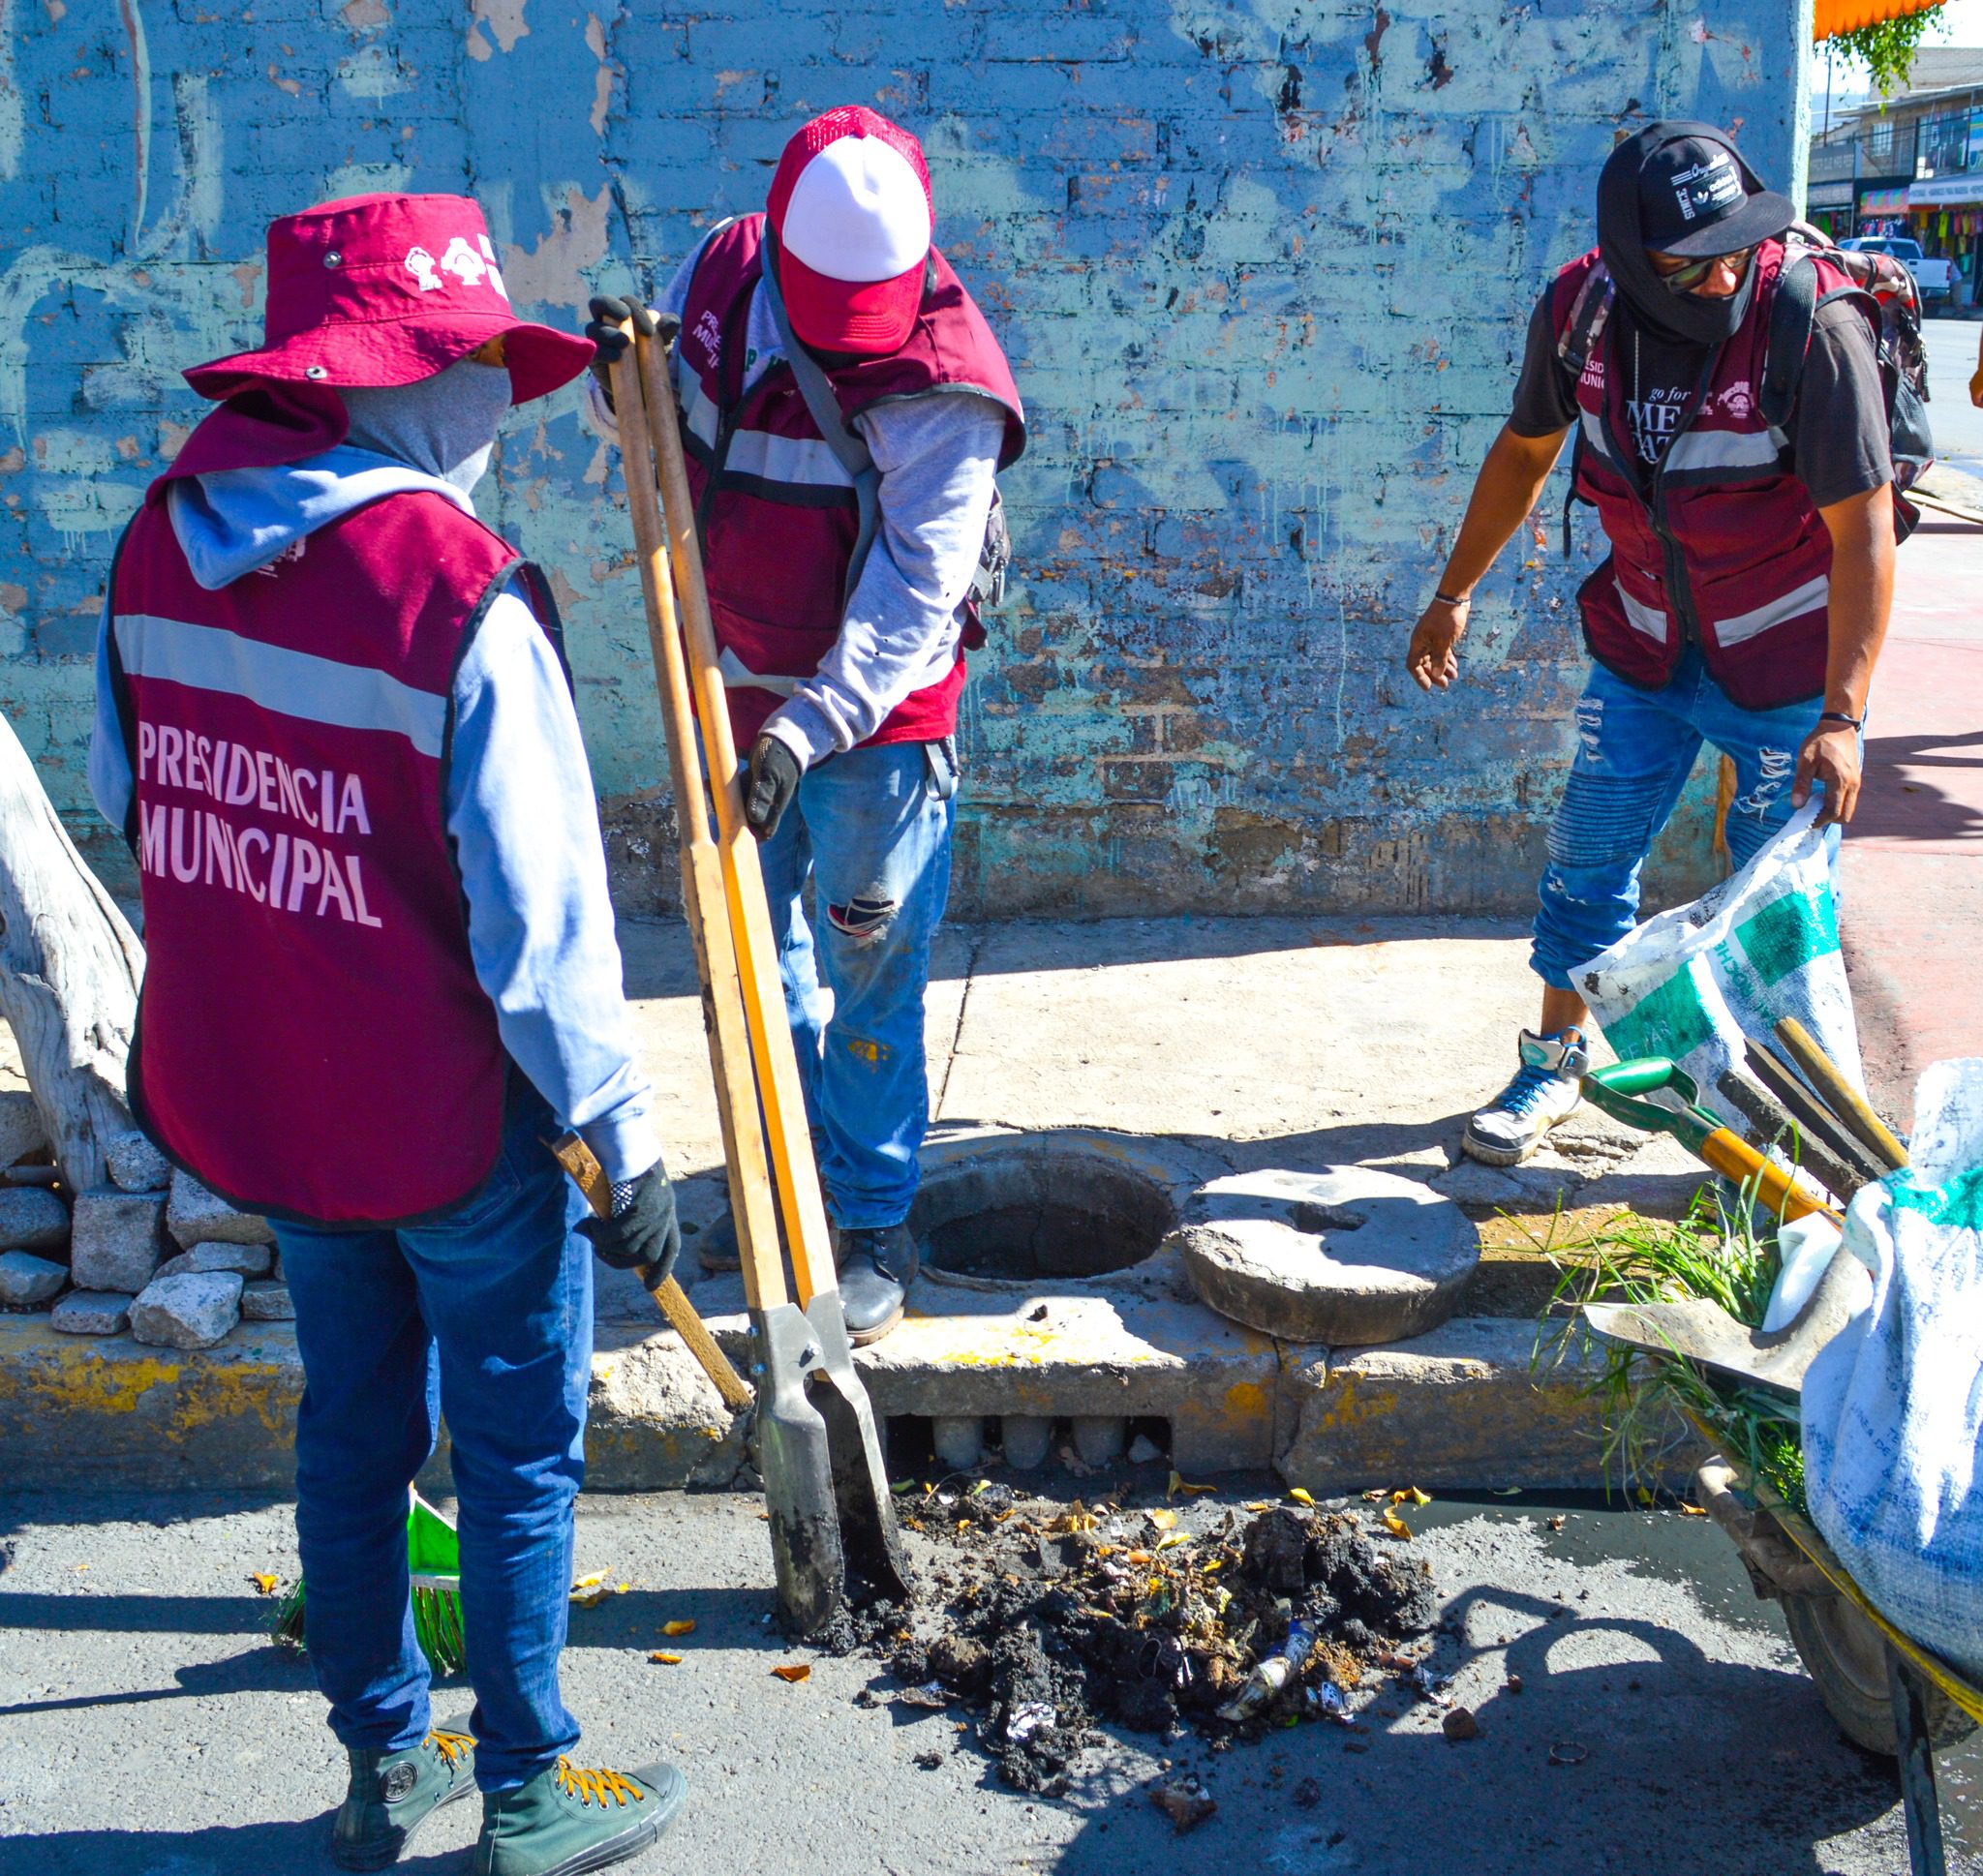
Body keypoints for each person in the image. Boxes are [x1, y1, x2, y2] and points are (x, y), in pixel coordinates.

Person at [92, 193, 686, 1876]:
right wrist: (622, 1141)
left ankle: (382, 1767)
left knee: (348, 1426)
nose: (496, 398)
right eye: (473, 363)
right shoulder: (460, 596)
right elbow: (545, 932)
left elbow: (139, 810)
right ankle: (523, 1785)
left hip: (277, 1098)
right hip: (453, 1123)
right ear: (390, 385)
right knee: (512, 1452)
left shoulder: (155, 542)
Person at [588, 106, 1025, 1342]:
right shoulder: (726, 272)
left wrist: (810, 727)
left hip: (874, 726)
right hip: (725, 682)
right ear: (781, 247)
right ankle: (782, 1178)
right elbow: (668, 441)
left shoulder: (947, 385)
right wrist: (619, 387)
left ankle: (874, 1214)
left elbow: (913, 591)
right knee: (750, 960)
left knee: (868, 970)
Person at [1406, 123, 1898, 1165]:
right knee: (1585, 861)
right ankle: (1550, 1067)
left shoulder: (1807, 325)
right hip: (1641, 647)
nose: (1722, 273)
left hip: (1782, 669)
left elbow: (1864, 529)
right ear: (1632, 263)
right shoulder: (1579, 312)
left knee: (1771, 907)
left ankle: (1792, 1140)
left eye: (1736, 246)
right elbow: (1524, 450)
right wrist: (1453, 591)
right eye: (1692, 259)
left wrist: (1842, 717)